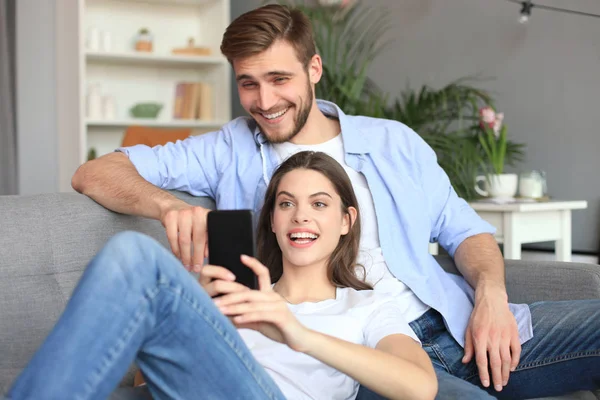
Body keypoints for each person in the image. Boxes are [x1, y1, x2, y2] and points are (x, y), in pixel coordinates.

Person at [70, 4, 600, 399]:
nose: (265, 101)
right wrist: (166, 206)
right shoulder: (226, 148)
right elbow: (96, 173)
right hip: (351, 348)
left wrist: (490, 295)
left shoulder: (394, 142)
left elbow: (467, 231)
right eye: (248, 84)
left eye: (280, 79)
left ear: (314, 69)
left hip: (450, 326)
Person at [6, 151, 437, 400]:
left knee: (137, 254)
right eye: (286, 203)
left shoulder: (367, 304)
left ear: (347, 220)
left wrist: (294, 333)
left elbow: (420, 386)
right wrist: (199, 315)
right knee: (134, 256)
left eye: (319, 204)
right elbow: (150, 383)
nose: (300, 215)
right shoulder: (237, 296)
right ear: (271, 220)